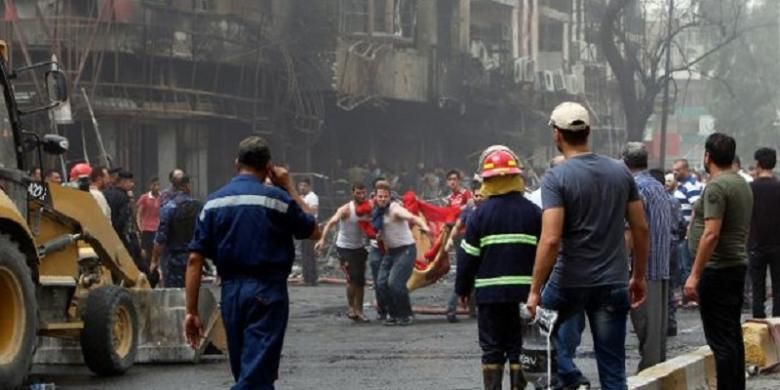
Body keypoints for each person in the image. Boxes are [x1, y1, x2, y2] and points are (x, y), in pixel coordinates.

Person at [526, 102, 649, 390]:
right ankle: (574, 378)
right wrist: (638, 276)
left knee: (536, 334)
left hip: (569, 281)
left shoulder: (556, 177)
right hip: (613, 281)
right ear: (588, 132)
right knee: (613, 371)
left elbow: (552, 238)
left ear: (557, 135)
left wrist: (534, 290)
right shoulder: (621, 173)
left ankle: (572, 377)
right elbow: (641, 228)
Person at [184, 136, 321, 390]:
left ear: (236, 164)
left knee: (251, 371)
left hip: (232, 294)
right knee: (255, 376)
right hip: (268, 293)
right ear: (269, 167)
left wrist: (191, 311)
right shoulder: (278, 200)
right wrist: (288, 186)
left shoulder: (213, 203)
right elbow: (314, 231)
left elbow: (194, 259)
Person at [455, 145, 541, 390]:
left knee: (492, 349)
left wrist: (462, 289)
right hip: (524, 296)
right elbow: (545, 255)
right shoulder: (534, 213)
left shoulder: (479, 215)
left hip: (490, 296)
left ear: (487, 181)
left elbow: (468, 257)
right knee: (519, 347)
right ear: (517, 177)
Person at [684, 133, 752, 390]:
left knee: (721, 342)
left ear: (707, 156)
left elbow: (711, 233)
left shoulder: (717, 187)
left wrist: (695, 274)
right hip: (735, 266)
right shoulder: (741, 182)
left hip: (718, 269)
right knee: (732, 335)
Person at [623, 143, 672, 372]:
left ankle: (649, 375)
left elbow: (633, 231)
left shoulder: (635, 188)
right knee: (657, 330)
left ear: (625, 162)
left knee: (646, 327)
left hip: (644, 269)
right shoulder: (657, 186)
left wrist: (627, 266)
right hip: (661, 265)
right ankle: (657, 373)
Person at [373, 180, 431, 326]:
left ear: (389, 197)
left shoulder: (395, 209)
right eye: (380, 196)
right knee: (381, 283)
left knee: (395, 283)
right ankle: (392, 314)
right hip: (391, 251)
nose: (382, 199)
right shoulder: (377, 212)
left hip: (406, 250)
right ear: (375, 196)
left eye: (385, 197)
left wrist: (424, 226)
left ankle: (405, 314)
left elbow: (413, 217)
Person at [315, 183, 371, 322]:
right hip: (345, 248)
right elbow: (331, 222)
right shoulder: (346, 209)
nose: (361, 196)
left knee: (360, 280)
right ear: (353, 193)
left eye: (363, 193)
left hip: (359, 247)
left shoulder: (368, 208)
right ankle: (351, 307)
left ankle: (360, 310)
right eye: (358, 193)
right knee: (352, 279)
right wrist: (322, 239)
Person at [151, 175, 200, 288]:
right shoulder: (199, 206)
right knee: (192, 290)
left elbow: (161, 238)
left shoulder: (169, 208)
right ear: (187, 186)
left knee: (174, 292)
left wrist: (154, 260)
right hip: (194, 256)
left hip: (172, 259)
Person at [748, 147, 780, 318]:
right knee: (778, 290)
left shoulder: (750, 188)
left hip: (755, 244)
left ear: (758, 164)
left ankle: (758, 326)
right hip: (778, 245)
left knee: (757, 290)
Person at [444, 181, 482, 323]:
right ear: (472, 195)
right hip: (467, 248)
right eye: (476, 195)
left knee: (476, 280)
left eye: (481, 195)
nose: (478, 198)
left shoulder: (489, 209)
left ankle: (473, 311)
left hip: (483, 249)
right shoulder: (468, 210)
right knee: (463, 278)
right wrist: (449, 241)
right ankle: (451, 310)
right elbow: (457, 225)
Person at [672, 158, 703, 296]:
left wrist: (689, 229)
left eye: (677, 170)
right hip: (683, 230)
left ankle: (691, 295)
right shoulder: (682, 185)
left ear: (685, 169)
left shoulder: (690, 186)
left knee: (686, 265)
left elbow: (697, 207)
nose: (674, 173)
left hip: (687, 232)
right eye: (674, 170)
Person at [297, 177, 319, 285]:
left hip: (310, 227)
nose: (301, 188)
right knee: (304, 253)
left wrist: (301, 204)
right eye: (300, 185)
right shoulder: (302, 197)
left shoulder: (312, 197)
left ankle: (311, 278)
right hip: (303, 228)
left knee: (309, 253)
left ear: (309, 186)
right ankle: (306, 277)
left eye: (304, 186)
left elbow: (312, 211)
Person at [137, 177, 161, 265]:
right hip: (147, 228)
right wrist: (140, 227)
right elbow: (139, 213)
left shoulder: (161, 198)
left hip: (157, 228)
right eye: (154, 185)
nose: (156, 187)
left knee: (157, 250)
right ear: (150, 186)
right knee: (146, 251)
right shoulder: (145, 198)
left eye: (158, 185)